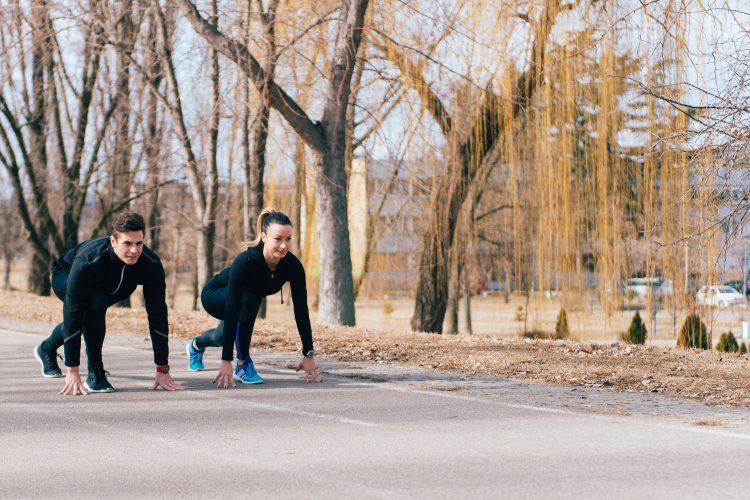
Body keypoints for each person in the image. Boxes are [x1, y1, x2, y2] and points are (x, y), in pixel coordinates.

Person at [33, 211, 185, 395]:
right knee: (91, 305)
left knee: (95, 305)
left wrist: (162, 368)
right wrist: (72, 370)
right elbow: (73, 312)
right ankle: (95, 371)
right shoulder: (89, 260)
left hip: (106, 289)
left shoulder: (150, 263)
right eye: (127, 243)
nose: (134, 250)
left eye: (139, 243)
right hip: (65, 274)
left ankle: (46, 348)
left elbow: (158, 314)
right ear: (113, 242)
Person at [186, 208, 320, 387]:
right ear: (264, 237)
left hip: (243, 304)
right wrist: (227, 360)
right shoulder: (246, 262)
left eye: (288, 239)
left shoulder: (293, 266)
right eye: (278, 239)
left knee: (221, 336)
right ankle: (243, 363)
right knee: (249, 299)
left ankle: (196, 345)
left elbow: (301, 310)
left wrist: (308, 353)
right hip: (215, 294)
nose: (284, 245)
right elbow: (233, 307)